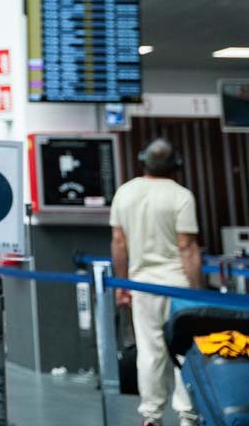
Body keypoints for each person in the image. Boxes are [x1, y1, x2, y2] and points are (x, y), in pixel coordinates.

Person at [110, 138, 203, 426]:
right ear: (176, 165)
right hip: (177, 285)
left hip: (143, 286)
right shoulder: (181, 196)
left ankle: (151, 416)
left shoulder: (124, 193)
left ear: (143, 161)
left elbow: (119, 242)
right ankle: (187, 416)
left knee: (150, 352)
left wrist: (122, 285)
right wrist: (197, 291)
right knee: (184, 351)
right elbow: (186, 246)